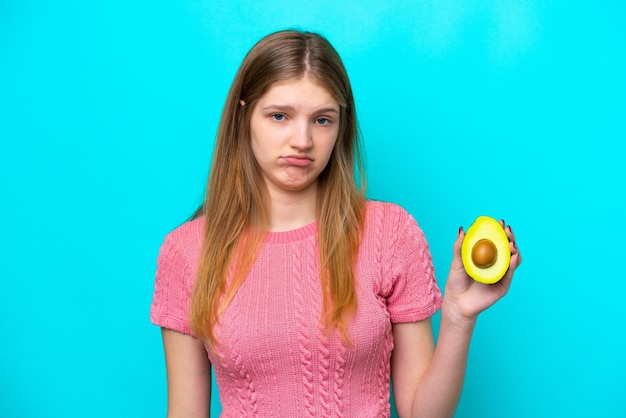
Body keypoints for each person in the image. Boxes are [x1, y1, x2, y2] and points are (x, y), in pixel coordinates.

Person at [150, 29, 522, 418]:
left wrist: (458, 316)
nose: (302, 140)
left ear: (341, 125)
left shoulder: (391, 234)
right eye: (280, 116)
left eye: (322, 120)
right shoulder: (187, 252)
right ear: (244, 116)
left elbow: (420, 412)